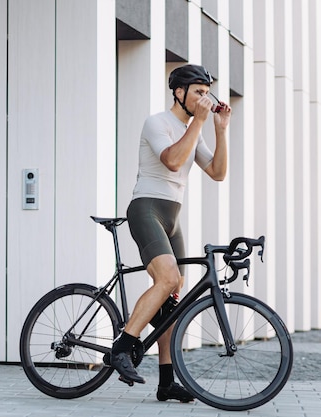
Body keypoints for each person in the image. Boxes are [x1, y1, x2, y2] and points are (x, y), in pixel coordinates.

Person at [107, 64, 232, 402]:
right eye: (199, 93)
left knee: (173, 298)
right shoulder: (157, 122)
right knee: (166, 279)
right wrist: (200, 123)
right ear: (179, 93)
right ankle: (122, 347)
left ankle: (166, 382)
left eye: (208, 93)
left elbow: (218, 173)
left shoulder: (197, 129)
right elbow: (173, 161)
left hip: (172, 215)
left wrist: (220, 129)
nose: (205, 99)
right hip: (146, 207)